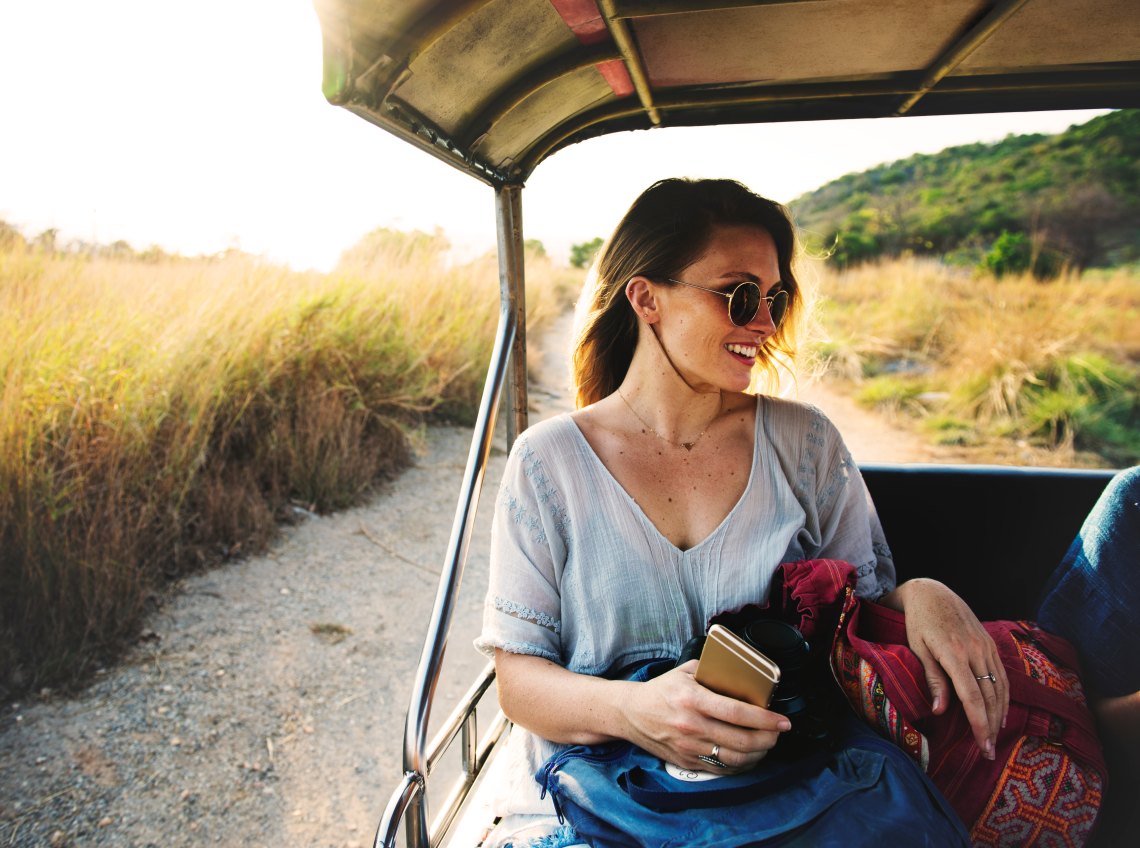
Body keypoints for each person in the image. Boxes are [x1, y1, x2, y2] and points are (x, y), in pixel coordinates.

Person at [474, 178, 1010, 847]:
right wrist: (634, 711)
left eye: (775, 298)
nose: (764, 322)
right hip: (605, 786)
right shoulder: (548, 463)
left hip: (794, 780)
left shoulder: (805, 443)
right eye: (740, 295)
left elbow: (864, 606)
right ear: (647, 299)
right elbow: (520, 681)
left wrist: (925, 593)